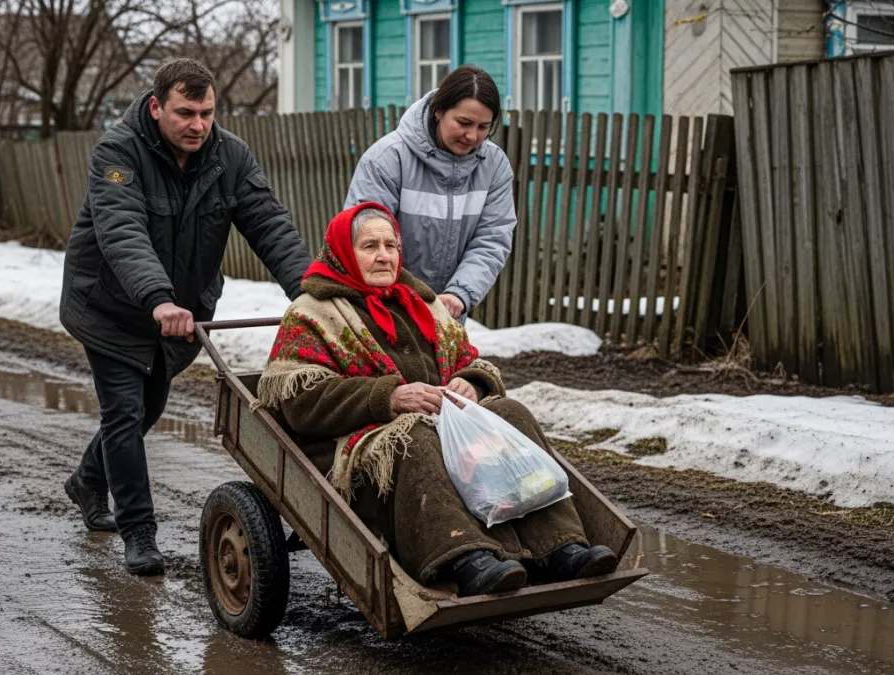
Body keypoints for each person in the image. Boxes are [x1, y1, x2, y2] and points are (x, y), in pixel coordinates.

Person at [256, 203, 616, 596]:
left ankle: (562, 547)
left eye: (391, 245)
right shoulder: (311, 313)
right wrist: (387, 397)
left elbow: (469, 360)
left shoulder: (420, 302)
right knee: (413, 436)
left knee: (511, 413)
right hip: (361, 446)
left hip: (445, 426)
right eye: (370, 246)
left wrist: (471, 383)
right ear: (343, 252)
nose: (384, 255)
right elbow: (299, 399)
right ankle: (467, 558)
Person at [58, 59, 312, 576]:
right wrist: (157, 297)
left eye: (207, 113)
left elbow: (270, 225)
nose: (197, 125)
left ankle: (88, 479)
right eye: (185, 113)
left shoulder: (230, 156)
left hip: (180, 311)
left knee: (146, 411)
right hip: (111, 306)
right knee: (125, 415)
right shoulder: (118, 150)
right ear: (156, 107)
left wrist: (310, 293)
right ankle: (138, 530)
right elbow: (122, 229)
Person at [344, 65, 516, 321]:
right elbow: (365, 241)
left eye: (483, 127)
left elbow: (491, 239)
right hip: (383, 310)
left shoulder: (494, 166)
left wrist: (458, 294)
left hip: (448, 314)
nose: (472, 136)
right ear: (439, 111)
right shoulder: (387, 160)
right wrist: (402, 300)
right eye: (464, 123)